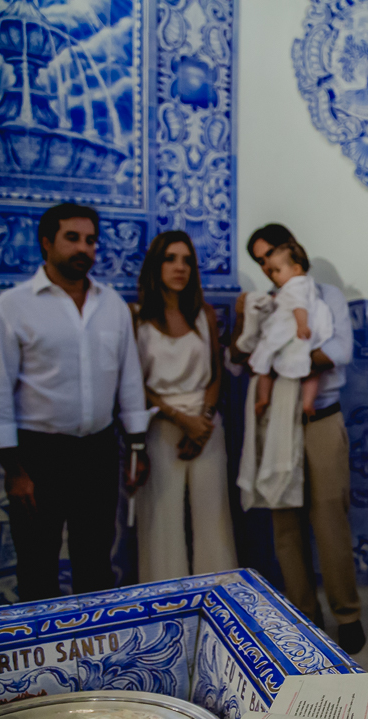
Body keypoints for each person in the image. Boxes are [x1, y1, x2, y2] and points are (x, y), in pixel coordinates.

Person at [0, 203, 150, 601]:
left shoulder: (112, 306)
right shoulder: (12, 308)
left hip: (98, 451)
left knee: (95, 560)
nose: (83, 248)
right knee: (37, 562)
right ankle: (44, 661)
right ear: (46, 243)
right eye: (73, 238)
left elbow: (129, 380)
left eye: (90, 240)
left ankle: (95, 655)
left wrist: (137, 445)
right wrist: (14, 471)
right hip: (38, 455)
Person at [233, 224, 363, 655]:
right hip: (278, 422)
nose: (268, 267)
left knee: (329, 521)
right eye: (260, 262)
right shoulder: (269, 302)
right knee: (284, 522)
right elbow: (250, 352)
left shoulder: (326, 296)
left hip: (321, 417)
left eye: (272, 254)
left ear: (292, 250)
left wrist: (292, 359)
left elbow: (341, 351)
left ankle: (347, 614)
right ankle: (304, 616)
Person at [132, 230, 238, 582]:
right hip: (161, 425)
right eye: (171, 259)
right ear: (155, 265)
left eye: (187, 261)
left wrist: (202, 421)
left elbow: (215, 375)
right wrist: (181, 419)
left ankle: (219, 601)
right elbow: (134, 385)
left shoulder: (203, 314)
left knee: (214, 519)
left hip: (206, 426)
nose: (180, 267)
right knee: (162, 522)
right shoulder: (138, 318)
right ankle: (165, 608)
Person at [238, 242, 332, 417]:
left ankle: (263, 399)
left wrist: (302, 325)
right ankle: (308, 402)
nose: (272, 274)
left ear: (296, 269)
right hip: (310, 332)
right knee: (311, 374)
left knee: (265, 363)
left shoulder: (294, 286)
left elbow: (299, 306)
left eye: (277, 270)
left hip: (292, 331)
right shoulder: (307, 284)